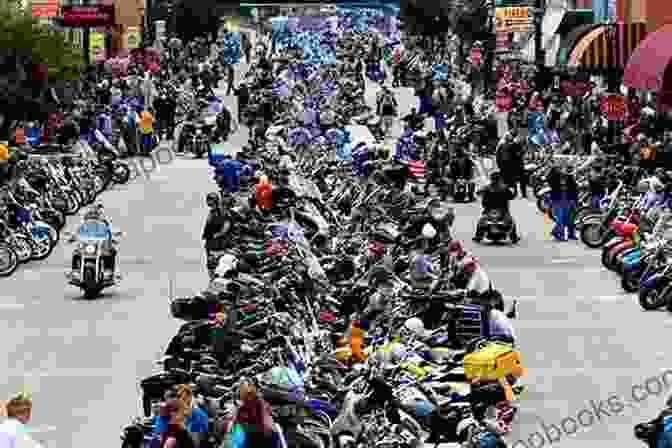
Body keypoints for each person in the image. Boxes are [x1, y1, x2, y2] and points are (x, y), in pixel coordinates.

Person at [473, 171, 520, 244]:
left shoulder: (487, 187)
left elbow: (478, 193)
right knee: (511, 221)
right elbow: (512, 196)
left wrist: (480, 193)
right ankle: (514, 237)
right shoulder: (504, 187)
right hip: (502, 210)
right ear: (500, 179)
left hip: (489, 210)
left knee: (481, 221)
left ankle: (478, 236)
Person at [202, 193, 232, 267]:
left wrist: (218, 235)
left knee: (218, 263)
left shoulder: (222, 212)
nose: (208, 203)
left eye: (209, 200)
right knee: (211, 263)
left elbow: (226, 225)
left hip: (219, 242)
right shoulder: (212, 212)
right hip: (211, 241)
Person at [496, 129, 526, 198]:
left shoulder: (514, 144)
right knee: (510, 181)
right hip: (508, 165)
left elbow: (518, 154)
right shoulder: (505, 145)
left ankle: (516, 193)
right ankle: (511, 194)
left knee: (513, 180)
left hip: (512, 165)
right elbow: (498, 155)